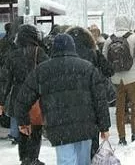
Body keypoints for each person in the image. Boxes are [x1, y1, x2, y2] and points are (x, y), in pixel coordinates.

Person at [14, 34, 111, 165]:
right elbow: (100, 99)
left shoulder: (43, 70)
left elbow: (23, 99)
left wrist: (23, 121)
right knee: (84, 161)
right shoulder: (87, 68)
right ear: (73, 48)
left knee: (66, 160)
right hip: (86, 125)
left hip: (59, 127)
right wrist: (104, 126)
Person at [0, 24, 49, 165]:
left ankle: (24, 158)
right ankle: (33, 157)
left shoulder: (12, 55)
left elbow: (5, 81)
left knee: (23, 126)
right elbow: (46, 75)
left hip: (17, 95)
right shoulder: (39, 53)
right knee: (36, 128)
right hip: (35, 95)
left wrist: (2, 101)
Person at [65, 26, 115, 158]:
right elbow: (109, 70)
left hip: (68, 103)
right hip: (89, 103)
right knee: (91, 141)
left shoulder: (64, 57)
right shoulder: (93, 53)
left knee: (70, 146)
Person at [102, 16, 135, 145]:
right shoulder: (133, 37)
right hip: (132, 78)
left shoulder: (109, 39)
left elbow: (104, 57)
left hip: (116, 79)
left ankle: (121, 137)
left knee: (119, 109)